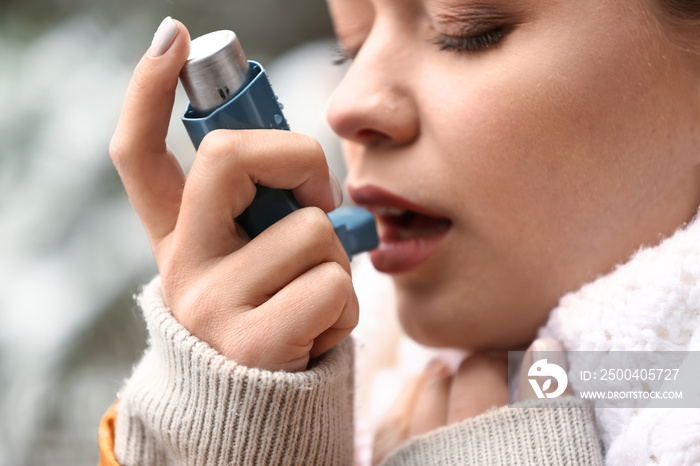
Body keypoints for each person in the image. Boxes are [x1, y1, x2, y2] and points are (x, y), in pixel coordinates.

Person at [100, 0, 700, 464]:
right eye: (350, 49)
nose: (345, 106)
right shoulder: (326, 364)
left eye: (465, 29)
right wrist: (217, 429)